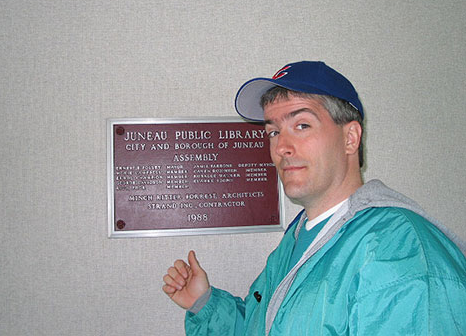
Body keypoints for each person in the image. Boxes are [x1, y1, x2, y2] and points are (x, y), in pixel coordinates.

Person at [162, 61, 466, 335]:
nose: (281, 147)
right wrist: (205, 304)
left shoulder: (398, 252)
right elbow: (267, 327)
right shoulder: (297, 239)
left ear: (350, 138)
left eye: (302, 125)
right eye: (273, 132)